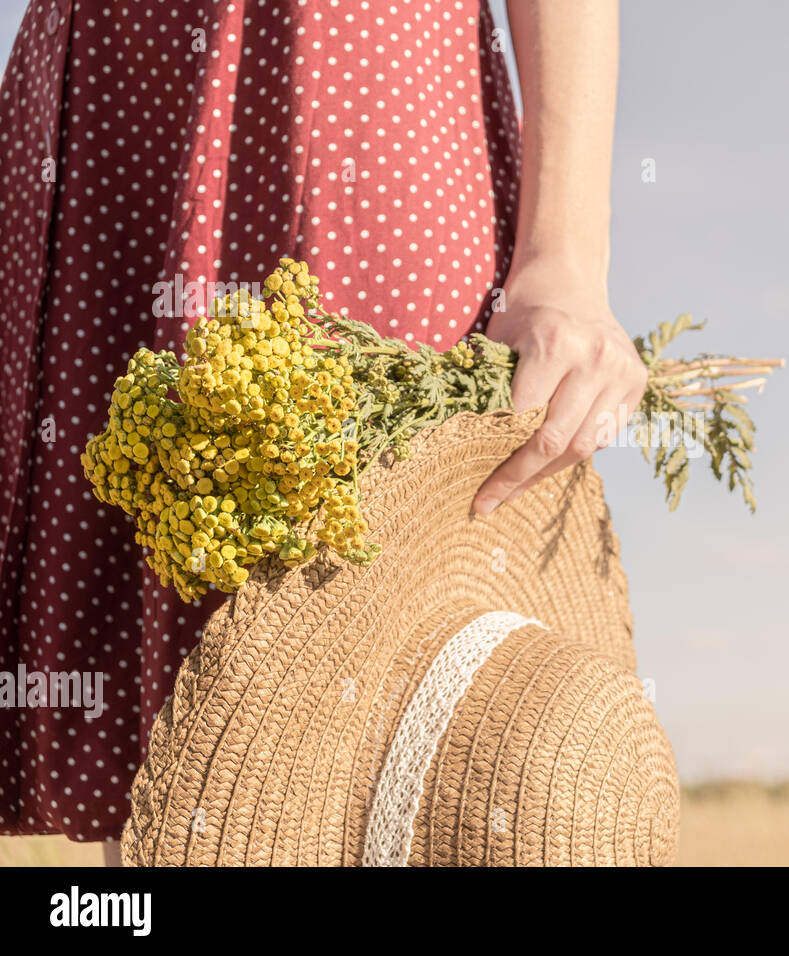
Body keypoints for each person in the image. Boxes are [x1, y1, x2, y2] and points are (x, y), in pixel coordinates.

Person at [0, 0, 642, 864]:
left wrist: (566, 257)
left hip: (352, 65)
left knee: (380, 650)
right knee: (194, 745)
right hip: (121, 92)